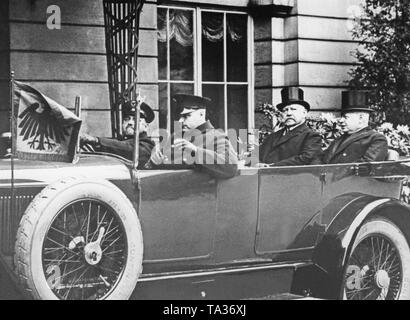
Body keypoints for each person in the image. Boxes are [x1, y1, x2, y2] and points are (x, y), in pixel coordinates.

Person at [147, 94, 238, 179]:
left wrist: (196, 151)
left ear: (201, 114)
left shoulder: (216, 136)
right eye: (180, 116)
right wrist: (153, 162)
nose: (181, 120)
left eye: (186, 116)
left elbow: (231, 167)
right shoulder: (175, 137)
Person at [317, 90, 388, 164]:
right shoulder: (340, 139)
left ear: (361, 118)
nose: (341, 120)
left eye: (345, 117)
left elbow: (366, 167)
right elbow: (321, 158)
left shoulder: (376, 139)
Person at [258, 87, 322, 167]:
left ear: (304, 113)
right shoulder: (273, 136)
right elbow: (257, 155)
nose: (288, 113)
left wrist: (273, 166)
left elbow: (304, 159)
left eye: (293, 109)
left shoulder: (311, 136)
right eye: (285, 110)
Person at [80, 100, 155, 167]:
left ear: (146, 126)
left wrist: (97, 140)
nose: (130, 123)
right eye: (126, 119)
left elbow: (129, 149)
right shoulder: (118, 143)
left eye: (136, 120)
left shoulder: (147, 145)